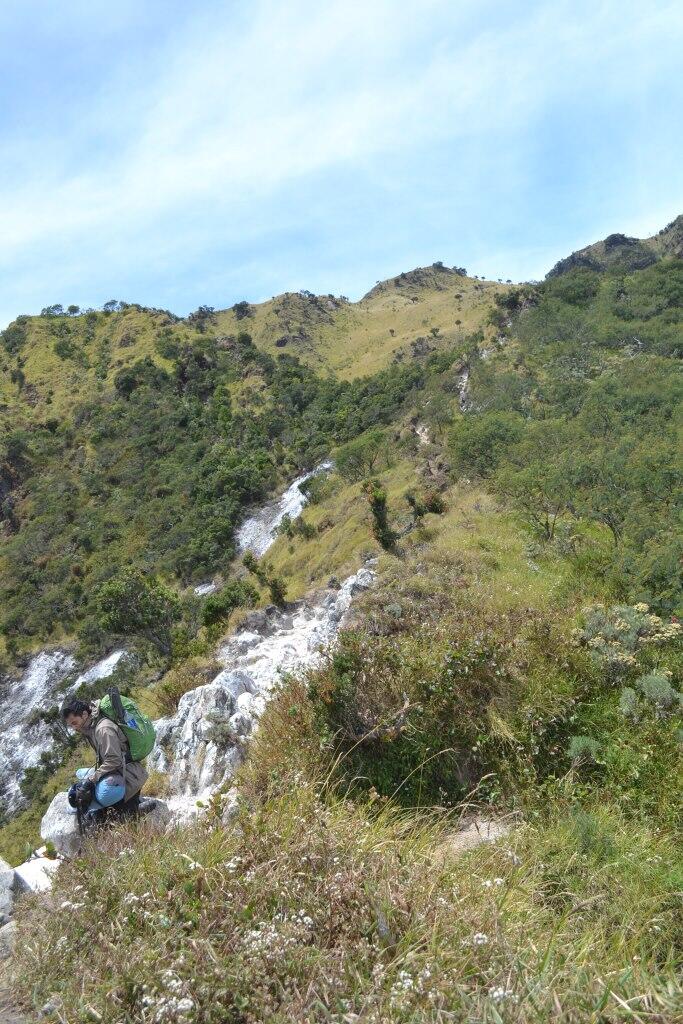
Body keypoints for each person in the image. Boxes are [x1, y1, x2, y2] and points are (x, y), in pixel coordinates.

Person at [61, 698, 149, 824]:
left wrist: (91, 780)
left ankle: (135, 809)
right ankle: (132, 807)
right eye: (70, 725)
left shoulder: (103, 729)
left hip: (128, 775)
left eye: (74, 723)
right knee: (81, 773)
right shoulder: (91, 728)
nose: (73, 728)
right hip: (116, 771)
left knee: (109, 808)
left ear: (85, 715)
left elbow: (114, 761)